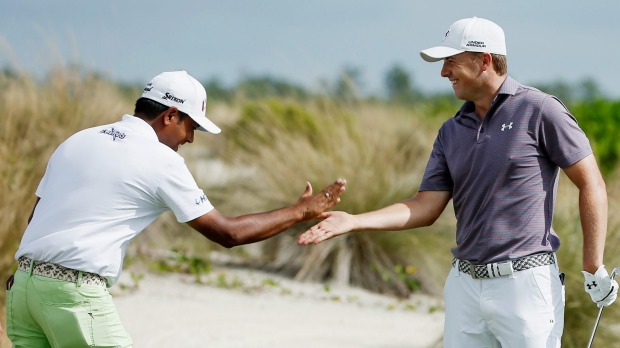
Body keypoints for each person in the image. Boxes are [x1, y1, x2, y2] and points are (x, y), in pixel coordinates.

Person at [298, 17, 617, 347]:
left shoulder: (540, 110)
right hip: (465, 285)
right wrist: (353, 221)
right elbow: (425, 206)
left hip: (526, 286)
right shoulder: (451, 131)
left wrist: (593, 266)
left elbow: (591, 183)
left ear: (484, 61)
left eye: (451, 62)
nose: (443, 72)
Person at [6, 70, 346, 347]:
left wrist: (30, 280)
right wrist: (300, 212)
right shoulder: (161, 160)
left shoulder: (78, 139)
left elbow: (36, 216)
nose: (191, 139)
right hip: (73, 297)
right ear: (170, 116)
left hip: (22, 290)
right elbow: (228, 233)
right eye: (192, 126)